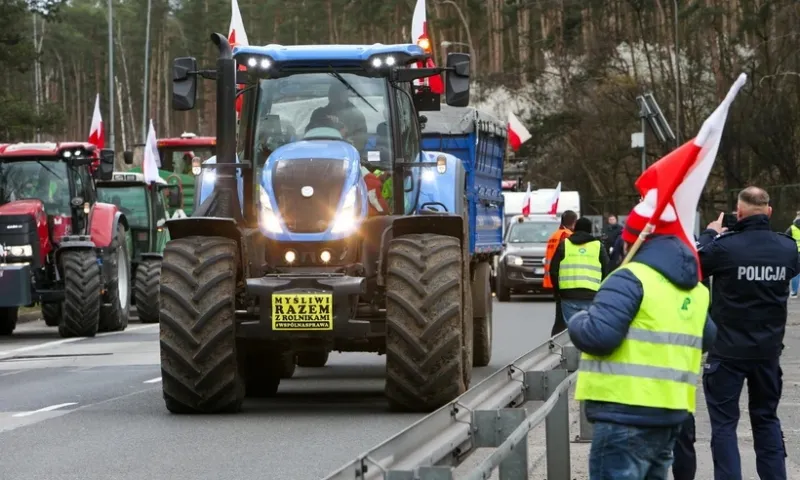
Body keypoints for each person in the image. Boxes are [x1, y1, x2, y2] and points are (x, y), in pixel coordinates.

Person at [567, 191, 717, 480]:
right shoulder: (695, 289)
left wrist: (578, 320)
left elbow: (599, 336)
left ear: (634, 240)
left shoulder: (629, 278)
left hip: (623, 415)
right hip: (670, 415)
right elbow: (707, 337)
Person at [696, 187, 799, 480]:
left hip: (727, 351)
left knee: (724, 425)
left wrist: (710, 234)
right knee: (766, 420)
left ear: (738, 214)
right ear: (769, 212)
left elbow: (694, 265)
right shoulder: (787, 248)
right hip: (767, 352)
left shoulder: (725, 247)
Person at [550, 217, 610, 324]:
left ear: (575, 229)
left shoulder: (565, 244)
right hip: (592, 296)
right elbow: (607, 270)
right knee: (589, 331)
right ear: (590, 230)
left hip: (568, 296)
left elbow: (553, 270)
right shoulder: (598, 246)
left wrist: (557, 292)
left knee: (570, 332)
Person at [543, 210, 578, 336]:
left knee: (560, 316)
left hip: (553, 279)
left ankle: (555, 341)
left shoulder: (555, 235)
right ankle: (557, 343)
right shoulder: (567, 235)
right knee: (562, 318)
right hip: (563, 279)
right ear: (574, 222)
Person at [306, 81, 368, 151]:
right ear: (329, 95)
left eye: (339, 93)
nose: (335, 96)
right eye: (333, 93)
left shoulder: (356, 116)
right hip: (320, 152)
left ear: (346, 95)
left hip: (347, 153)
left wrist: (342, 130)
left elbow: (360, 142)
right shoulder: (319, 113)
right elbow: (308, 134)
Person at [785, 211, 800, 298]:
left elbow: (786, 239)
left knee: (797, 274)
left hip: (796, 252)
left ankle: (794, 292)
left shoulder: (792, 228)